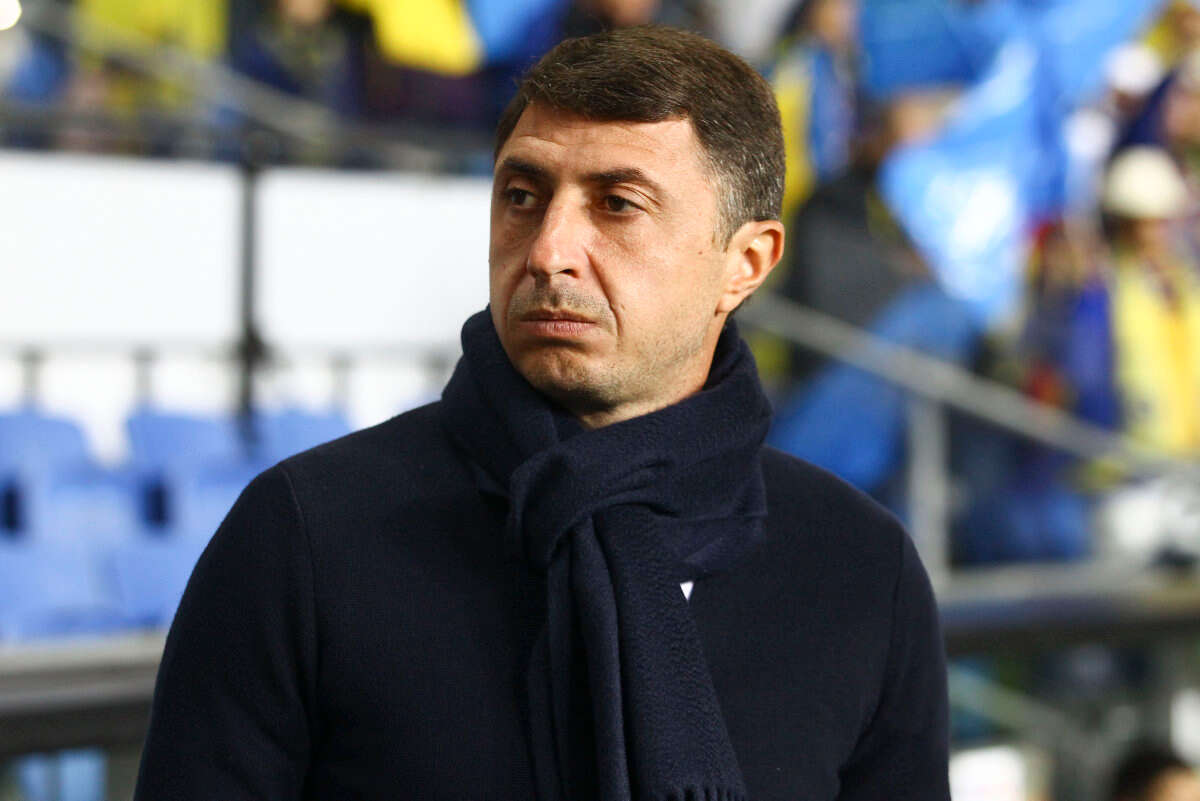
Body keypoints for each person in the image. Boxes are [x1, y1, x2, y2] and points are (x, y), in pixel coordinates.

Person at [134, 26, 950, 801]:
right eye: (522, 195)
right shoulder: (306, 536)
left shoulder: (860, 570)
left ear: (746, 262)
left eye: (618, 204)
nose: (549, 249)